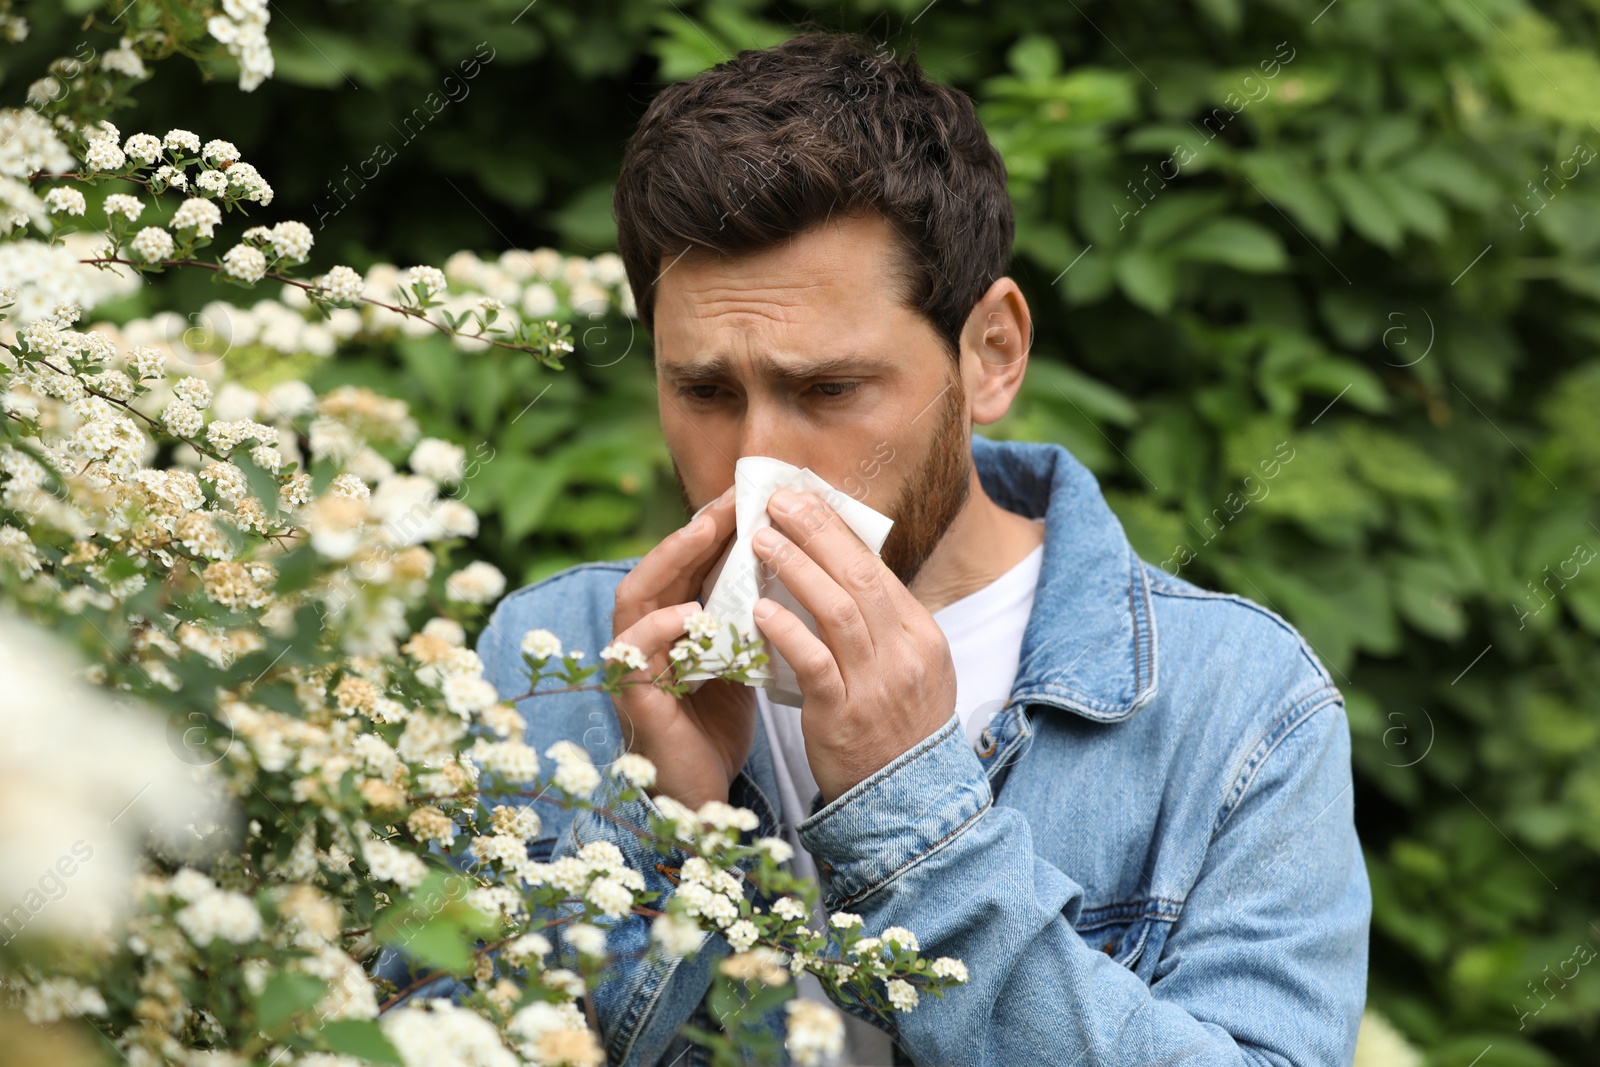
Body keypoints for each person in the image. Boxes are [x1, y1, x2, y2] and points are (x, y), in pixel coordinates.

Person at [478, 30, 1370, 1067]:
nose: (760, 461)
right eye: (707, 391)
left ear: (992, 352)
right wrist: (675, 839)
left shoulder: (1240, 705)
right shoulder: (547, 656)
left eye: (830, 390)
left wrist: (910, 819)